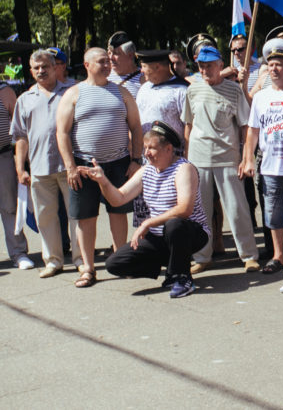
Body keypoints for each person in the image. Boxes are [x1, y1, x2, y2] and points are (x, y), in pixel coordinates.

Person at [81, 121, 210, 298]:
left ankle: (182, 277)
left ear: (168, 149)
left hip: (190, 232)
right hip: (158, 237)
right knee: (115, 264)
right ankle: (172, 269)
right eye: (145, 148)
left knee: (174, 225)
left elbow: (185, 209)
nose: (146, 153)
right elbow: (118, 199)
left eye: (152, 148)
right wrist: (103, 181)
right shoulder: (147, 170)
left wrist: (148, 222)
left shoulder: (184, 169)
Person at [56, 47, 144, 288]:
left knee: (118, 211)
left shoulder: (121, 92)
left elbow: (136, 127)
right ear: (87, 65)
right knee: (85, 217)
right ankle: (89, 268)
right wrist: (70, 166)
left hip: (119, 163)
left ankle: (120, 260)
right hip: (83, 166)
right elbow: (62, 133)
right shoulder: (74, 94)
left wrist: (135, 160)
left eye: (109, 61)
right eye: (102, 61)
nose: (108, 65)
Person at [183, 45, 259, 274]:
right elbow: (188, 125)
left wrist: (246, 158)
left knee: (237, 210)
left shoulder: (234, 91)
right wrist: (186, 160)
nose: (205, 70)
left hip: (227, 159)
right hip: (198, 159)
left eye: (209, 66)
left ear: (220, 66)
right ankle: (202, 256)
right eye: (201, 66)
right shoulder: (192, 91)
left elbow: (246, 127)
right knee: (201, 211)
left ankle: (249, 255)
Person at [240, 39, 283, 274]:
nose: (274, 69)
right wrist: (248, 158)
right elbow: (252, 130)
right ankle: (278, 255)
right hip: (270, 166)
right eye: (270, 64)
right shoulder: (260, 97)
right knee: (273, 213)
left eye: (279, 64)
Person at [11, 50, 77, 276]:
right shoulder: (24, 99)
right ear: (31, 71)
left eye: (45, 66)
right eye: (36, 68)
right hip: (39, 167)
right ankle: (53, 261)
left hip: (70, 166)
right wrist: (20, 168)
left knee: (76, 215)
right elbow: (20, 136)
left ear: (55, 67)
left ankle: (80, 258)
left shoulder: (71, 92)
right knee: (45, 217)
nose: (41, 71)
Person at [2, 67, 34, 270]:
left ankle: (18, 252)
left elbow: (20, 128)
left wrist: (21, 162)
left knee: (9, 207)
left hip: (2, 156)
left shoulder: (3, 91)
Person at [107, 31, 143, 97]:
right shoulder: (104, 76)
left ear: (130, 55)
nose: (111, 57)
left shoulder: (145, 78)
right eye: (109, 53)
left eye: (116, 53)